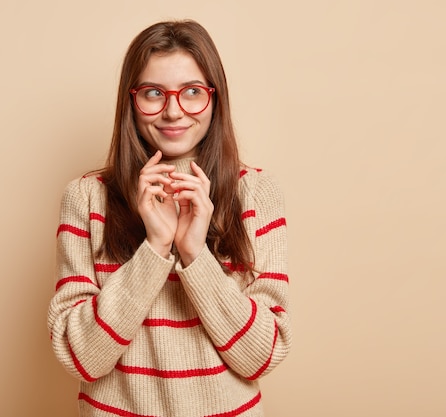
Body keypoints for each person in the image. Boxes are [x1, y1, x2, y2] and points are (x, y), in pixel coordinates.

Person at [47, 19, 291, 417]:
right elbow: (80, 359)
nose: (173, 111)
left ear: (215, 98)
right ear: (131, 100)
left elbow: (263, 356)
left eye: (192, 92)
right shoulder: (86, 197)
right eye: (153, 93)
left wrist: (195, 255)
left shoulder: (257, 193)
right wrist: (155, 248)